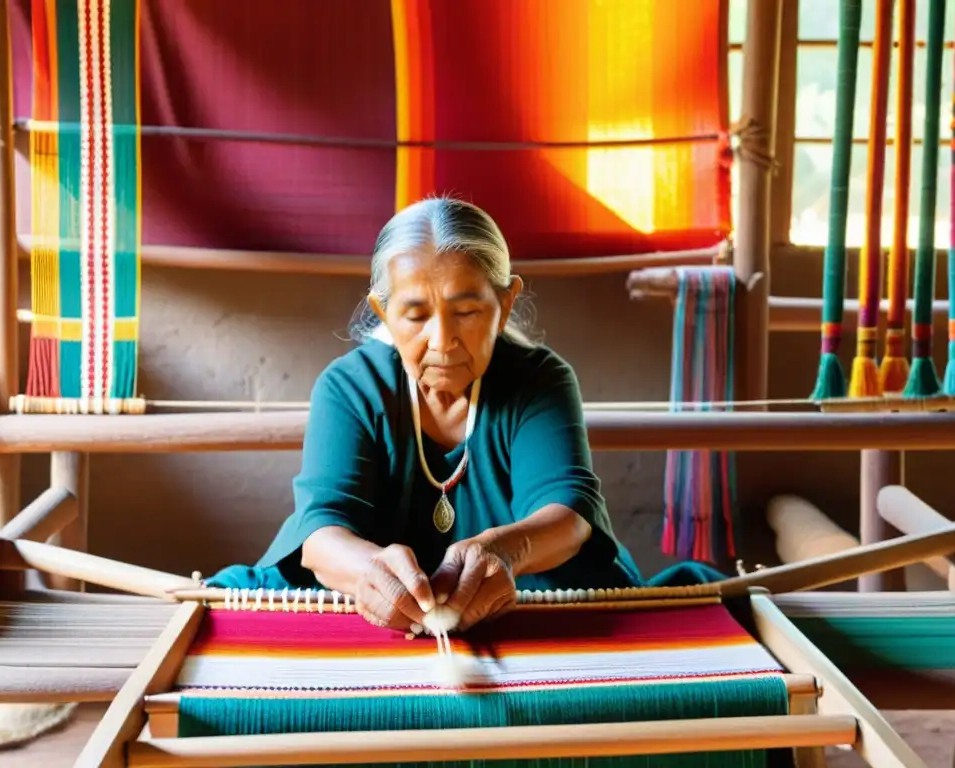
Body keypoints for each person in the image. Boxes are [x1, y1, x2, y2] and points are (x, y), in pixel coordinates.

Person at [206, 196, 724, 633]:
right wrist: (370, 571)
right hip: (376, 624)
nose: (443, 340)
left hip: (529, 606)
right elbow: (321, 534)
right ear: (384, 312)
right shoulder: (351, 388)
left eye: (468, 311)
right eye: (415, 314)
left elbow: (568, 516)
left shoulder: (538, 380)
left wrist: (503, 552)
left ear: (505, 302)